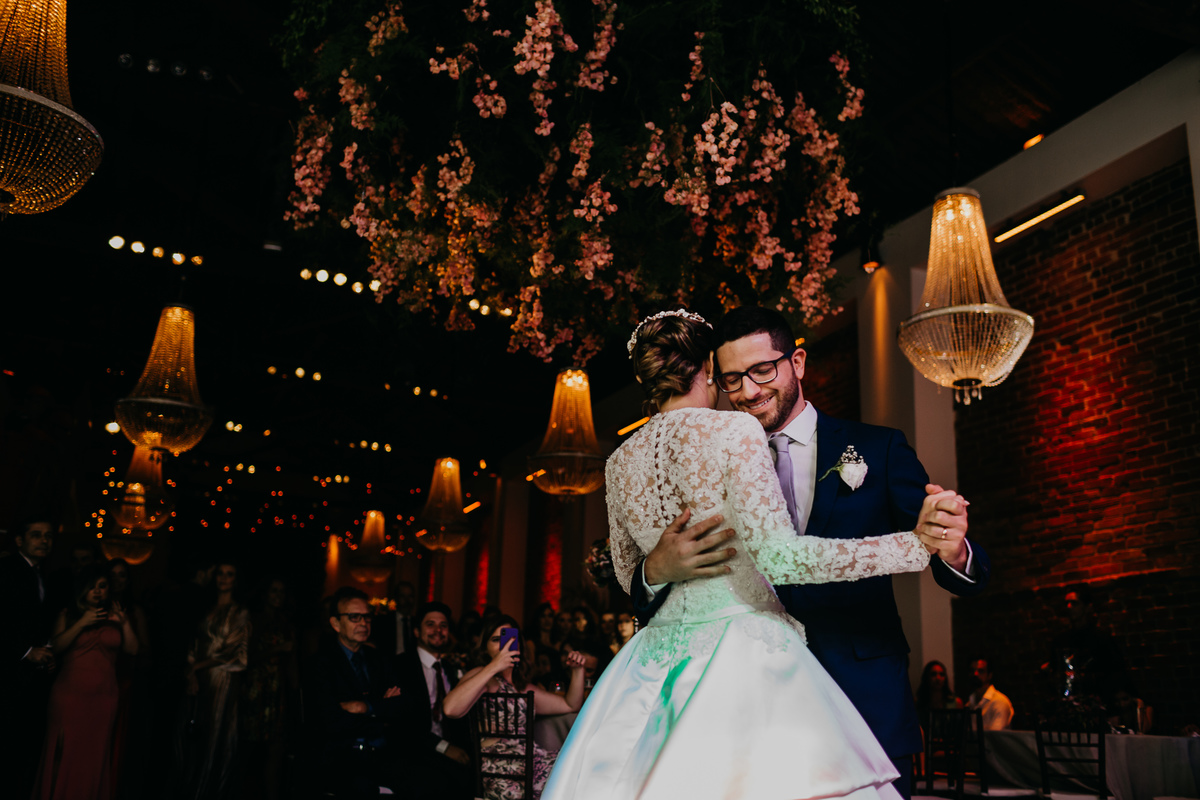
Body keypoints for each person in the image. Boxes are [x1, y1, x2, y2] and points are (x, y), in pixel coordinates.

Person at [543, 310, 935, 800]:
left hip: (658, 664)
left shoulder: (620, 461)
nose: (744, 392)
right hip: (745, 654)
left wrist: (651, 571)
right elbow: (782, 561)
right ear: (708, 368)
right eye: (730, 377)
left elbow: (625, 578)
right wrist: (914, 546)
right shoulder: (733, 432)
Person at [628, 305, 992, 799]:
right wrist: (653, 569)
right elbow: (656, 578)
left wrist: (951, 547)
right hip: (752, 703)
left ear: (797, 362)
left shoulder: (877, 448)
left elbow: (948, 554)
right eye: (732, 379)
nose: (749, 391)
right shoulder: (704, 457)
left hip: (864, 696)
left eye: (762, 370)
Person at [444, 615, 588, 800]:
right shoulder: (483, 676)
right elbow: (450, 709)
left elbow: (570, 704)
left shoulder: (524, 688)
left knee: (578, 769)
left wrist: (577, 671)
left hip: (533, 760)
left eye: (511, 639)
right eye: (497, 640)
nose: (505, 645)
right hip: (500, 765)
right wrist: (494, 665)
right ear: (485, 648)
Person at [33, 564, 138, 800]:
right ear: (82, 590)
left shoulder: (115, 615)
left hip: (104, 698)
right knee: (66, 752)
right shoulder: (67, 614)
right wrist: (82, 622)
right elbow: (56, 648)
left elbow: (132, 649)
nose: (98, 592)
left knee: (94, 755)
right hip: (70, 697)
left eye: (102, 586)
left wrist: (124, 623)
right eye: (92, 587)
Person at [304, 587, 415, 798]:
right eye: (354, 617)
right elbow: (330, 721)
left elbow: (404, 706)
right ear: (336, 623)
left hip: (383, 752)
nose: (363, 623)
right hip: (341, 756)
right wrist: (382, 715)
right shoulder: (320, 664)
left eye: (366, 617)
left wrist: (366, 706)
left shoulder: (379, 659)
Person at [177, 561, 251, 800]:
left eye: (229, 574)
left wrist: (196, 667)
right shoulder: (205, 608)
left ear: (236, 580)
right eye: (220, 573)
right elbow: (194, 643)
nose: (223, 578)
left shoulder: (240, 612)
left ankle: (209, 792)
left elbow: (233, 652)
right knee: (193, 733)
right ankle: (189, 788)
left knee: (216, 734)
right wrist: (191, 671)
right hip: (199, 678)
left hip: (223, 678)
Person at [0, 517, 57, 798]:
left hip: (29, 678)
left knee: (20, 749)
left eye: (48, 536)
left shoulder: (40, 573)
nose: (44, 540)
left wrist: (46, 649)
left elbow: (35, 622)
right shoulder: (7, 570)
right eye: (36, 535)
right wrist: (25, 651)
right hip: (8, 674)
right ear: (20, 540)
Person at [394, 601, 474, 800]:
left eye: (443, 625)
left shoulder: (451, 668)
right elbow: (403, 723)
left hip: (453, 748)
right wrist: (444, 748)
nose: (438, 630)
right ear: (416, 632)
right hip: (414, 751)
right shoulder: (400, 666)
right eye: (430, 624)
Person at [243, 576, 298, 800]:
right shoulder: (253, 620)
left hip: (277, 693)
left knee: (275, 752)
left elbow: (293, 664)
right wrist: (277, 650)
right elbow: (245, 658)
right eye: (274, 591)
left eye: (281, 592)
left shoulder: (287, 623)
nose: (277, 596)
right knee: (248, 750)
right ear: (265, 593)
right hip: (254, 692)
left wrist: (295, 696)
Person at [965, 659, 1013, 731]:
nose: (975, 674)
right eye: (972, 671)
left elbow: (994, 737)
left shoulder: (999, 702)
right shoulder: (969, 704)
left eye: (981, 671)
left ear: (989, 675)